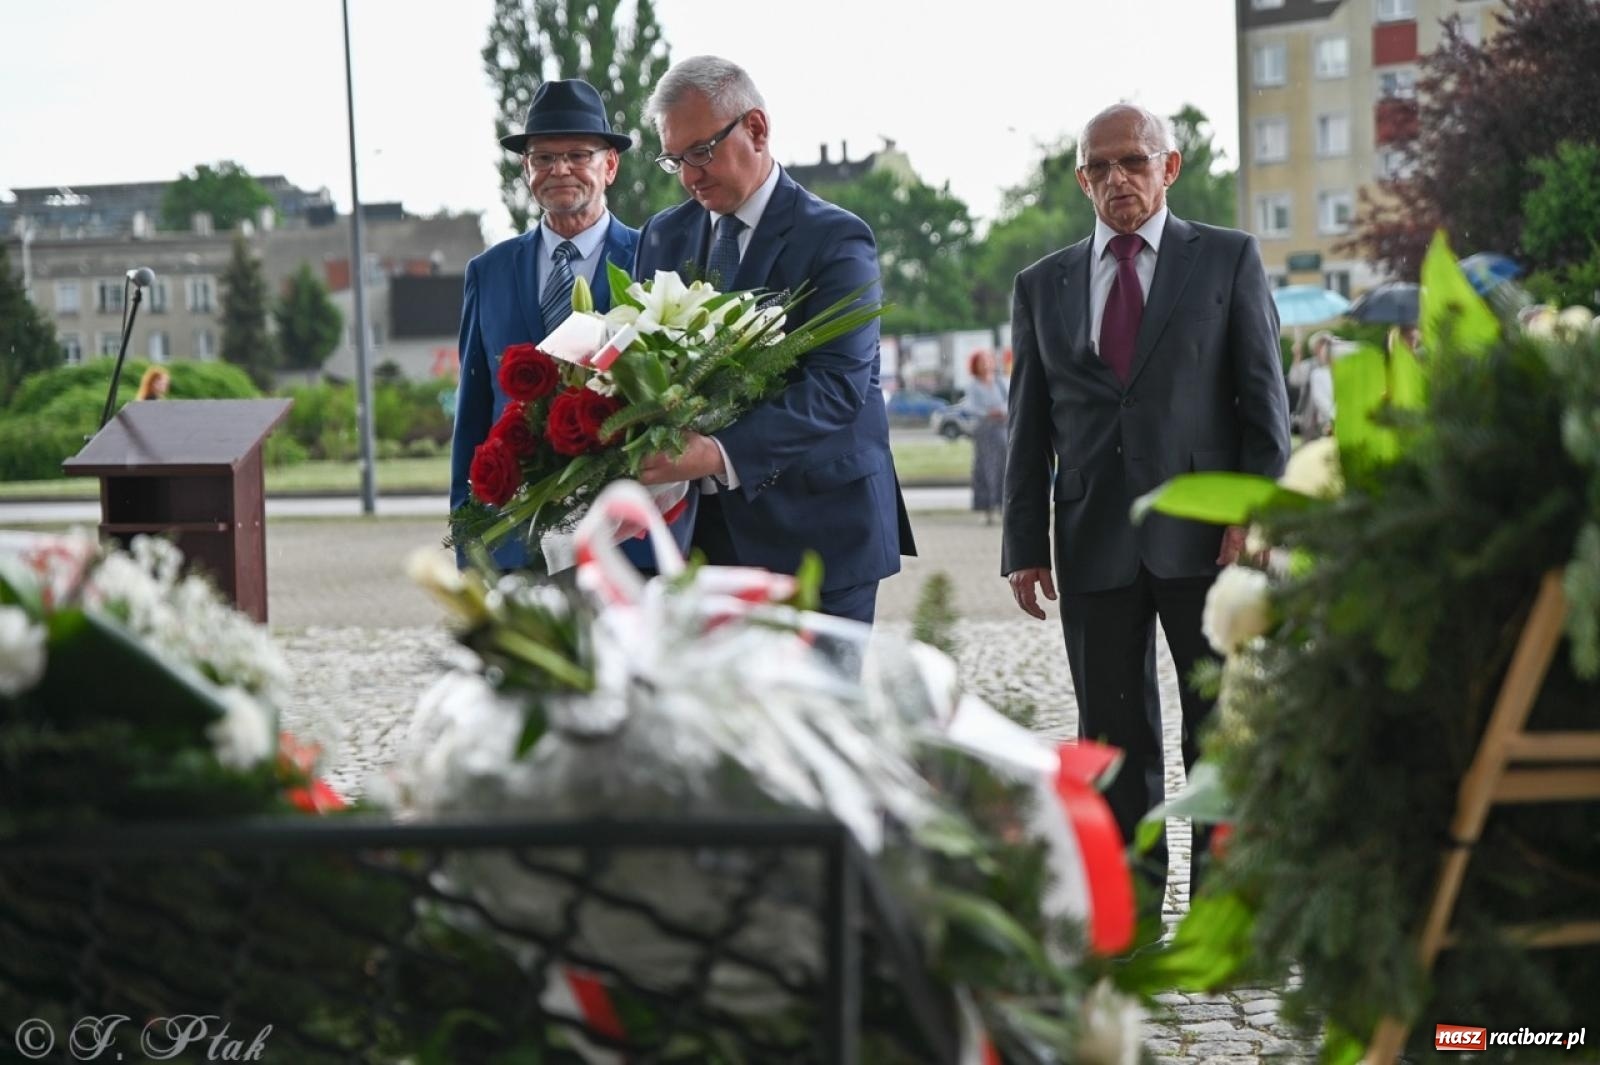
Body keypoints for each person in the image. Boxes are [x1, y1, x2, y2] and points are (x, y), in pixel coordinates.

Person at [1001, 103, 1291, 889]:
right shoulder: (1042, 284)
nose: (1117, 178)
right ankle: (1131, 903)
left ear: (1170, 166)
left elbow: (1265, 404)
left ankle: (1222, 903)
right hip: (1093, 539)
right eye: (1099, 166)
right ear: (1081, 180)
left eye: (1133, 160)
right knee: (1112, 737)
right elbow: (1028, 424)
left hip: (1209, 538)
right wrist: (1024, 543)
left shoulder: (1228, 259)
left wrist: (1253, 513)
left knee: (1219, 726)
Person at [632, 55, 915, 623]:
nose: (688, 176)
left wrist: (716, 453)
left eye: (700, 152)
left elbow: (836, 387)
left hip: (820, 538)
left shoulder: (836, 238)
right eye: (674, 159)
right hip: (700, 544)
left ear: (756, 129)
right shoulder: (662, 235)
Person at [451, 79, 659, 571]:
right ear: (526, 169)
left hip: (629, 542)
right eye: (543, 157)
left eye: (578, 155)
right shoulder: (488, 272)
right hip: (514, 540)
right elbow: (472, 415)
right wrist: (468, 542)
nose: (559, 169)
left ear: (610, 165)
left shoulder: (654, 260)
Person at [963, 351, 1008, 524]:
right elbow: (971, 407)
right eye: (982, 361)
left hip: (1002, 429)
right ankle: (986, 508)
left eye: (988, 360)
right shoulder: (973, 386)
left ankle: (1003, 505)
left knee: (1004, 467)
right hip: (984, 431)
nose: (986, 364)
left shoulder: (1000, 382)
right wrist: (988, 413)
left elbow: (1010, 401)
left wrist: (1001, 411)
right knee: (984, 468)